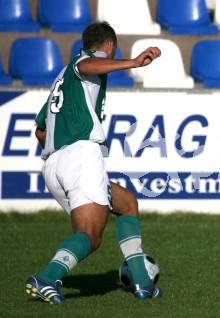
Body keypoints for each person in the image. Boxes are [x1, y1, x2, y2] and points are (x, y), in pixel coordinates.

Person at [25, 22, 162, 304]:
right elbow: (87, 66)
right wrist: (134, 62)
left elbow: (40, 129)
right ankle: (47, 277)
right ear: (109, 46)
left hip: (54, 164)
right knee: (90, 234)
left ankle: (143, 283)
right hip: (80, 157)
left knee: (126, 203)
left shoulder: (61, 77)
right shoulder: (84, 63)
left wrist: (62, 152)